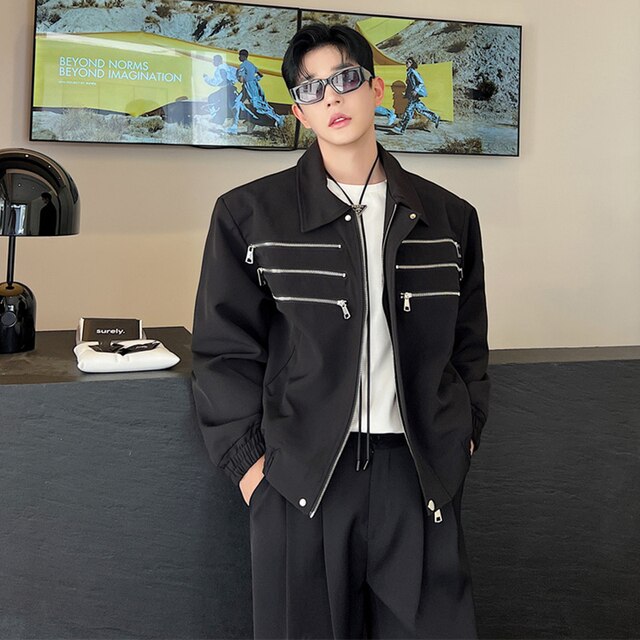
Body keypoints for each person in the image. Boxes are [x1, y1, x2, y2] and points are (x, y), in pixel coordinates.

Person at [192, 22, 489, 639]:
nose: (331, 97)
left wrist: (462, 437)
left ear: (376, 89)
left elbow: (467, 344)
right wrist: (252, 469)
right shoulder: (249, 215)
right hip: (302, 478)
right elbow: (223, 352)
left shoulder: (449, 218)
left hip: (418, 475)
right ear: (299, 111)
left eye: (345, 79)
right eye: (311, 89)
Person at [225, 49, 285, 135]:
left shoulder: (242, 66)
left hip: (250, 88)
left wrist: (238, 76)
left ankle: (278, 119)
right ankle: (234, 127)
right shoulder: (251, 64)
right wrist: (254, 79)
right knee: (237, 103)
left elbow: (241, 80)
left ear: (243, 56)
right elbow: (261, 74)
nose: (239, 57)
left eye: (240, 55)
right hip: (251, 87)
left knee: (258, 106)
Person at [389, 56, 441, 134]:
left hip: (413, 95)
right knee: (420, 109)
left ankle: (401, 128)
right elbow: (410, 85)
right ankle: (435, 118)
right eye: (407, 62)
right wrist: (407, 94)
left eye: (409, 62)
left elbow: (421, 82)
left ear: (412, 64)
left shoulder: (413, 72)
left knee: (408, 111)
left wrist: (416, 90)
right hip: (411, 95)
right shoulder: (409, 72)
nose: (407, 63)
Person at [203, 54, 238, 126]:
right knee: (223, 105)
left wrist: (206, 78)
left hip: (225, 89)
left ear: (218, 61)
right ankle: (218, 120)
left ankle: (216, 119)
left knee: (212, 98)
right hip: (228, 88)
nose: (213, 62)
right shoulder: (226, 66)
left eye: (214, 60)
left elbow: (221, 80)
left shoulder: (221, 68)